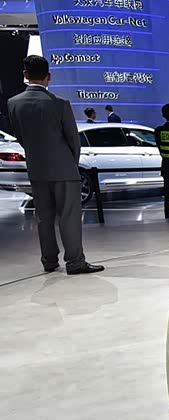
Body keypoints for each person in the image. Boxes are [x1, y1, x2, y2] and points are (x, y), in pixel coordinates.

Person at [8, 56, 103, 275]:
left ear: (25, 75)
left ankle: (49, 260)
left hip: (36, 169)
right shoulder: (59, 103)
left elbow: (20, 136)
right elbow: (73, 140)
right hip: (64, 169)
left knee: (43, 217)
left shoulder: (13, 103)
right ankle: (75, 262)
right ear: (49, 75)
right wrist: (71, 163)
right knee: (69, 217)